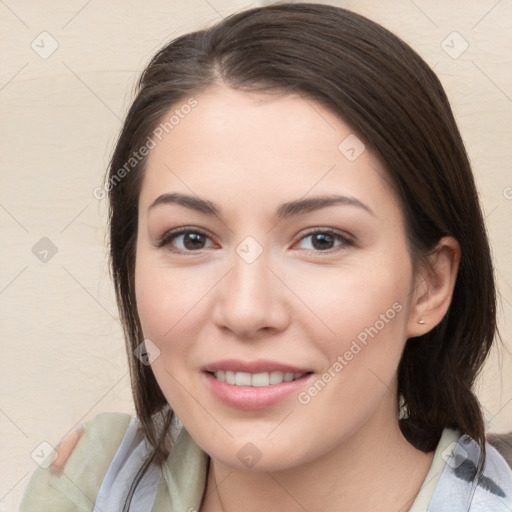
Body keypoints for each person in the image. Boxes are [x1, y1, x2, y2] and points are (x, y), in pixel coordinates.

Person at [19, 2, 512, 511]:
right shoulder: (84, 485)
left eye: (322, 240)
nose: (246, 310)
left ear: (428, 286)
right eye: (191, 239)